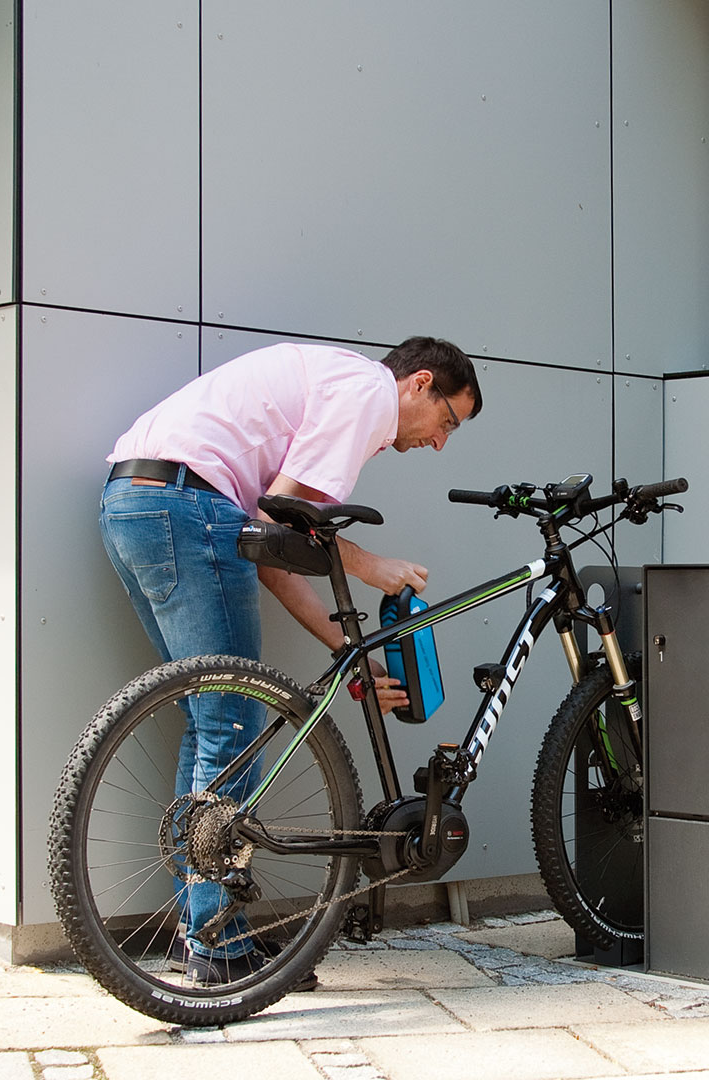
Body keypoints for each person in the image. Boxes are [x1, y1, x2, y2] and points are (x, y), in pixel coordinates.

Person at [101, 336, 482, 987]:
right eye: (448, 421)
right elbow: (281, 524)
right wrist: (370, 566)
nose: (440, 443)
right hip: (189, 508)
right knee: (231, 722)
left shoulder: (332, 383)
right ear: (419, 383)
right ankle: (216, 944)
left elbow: (269, 548)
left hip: (134, 502)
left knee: (213, 719)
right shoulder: (366, 394)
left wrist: (347, 654)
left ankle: (200, 931)